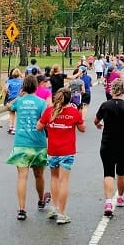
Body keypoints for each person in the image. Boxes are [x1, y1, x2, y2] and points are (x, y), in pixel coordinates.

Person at [94, 78, 124, 217]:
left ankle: (108, 202)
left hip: (107, 142)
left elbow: (96, 120)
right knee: (121, 171)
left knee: (108, 172)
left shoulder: (105, 105)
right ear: (123, 90)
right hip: (123, 142)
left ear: (111, 90)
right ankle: (120, 197)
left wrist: (98, 124)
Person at [37, 88, 85, 225]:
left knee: (54, 177)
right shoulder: (74, 112)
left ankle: (54, 206)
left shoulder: (49, 112)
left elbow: (38, 127)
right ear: (69, 99)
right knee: (64, 181)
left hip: (53, 151)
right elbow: (82, 129)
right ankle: (62, 214)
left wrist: (49, 124)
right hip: (67, 151)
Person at [6, 73, 50, 220]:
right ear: (36, 87)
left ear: (24, 87)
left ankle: (22, 209)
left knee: (22, 177)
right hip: (38, 143)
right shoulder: (41, 103)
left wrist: (19, 95)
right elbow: (45, 121)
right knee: (39, 175)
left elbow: (8, 106)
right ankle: (41, 200)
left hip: (21, 143)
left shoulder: (19, 102)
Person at [2, 68, 24, 134]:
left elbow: (5, 89)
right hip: (19, 99)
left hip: (10, 99)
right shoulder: (21, 81)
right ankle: (15, 128)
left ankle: (11, 127)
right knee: (17, 114)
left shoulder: (9, 81)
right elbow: (23, 89)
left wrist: (8, 92)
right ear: (19, 74)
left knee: (11, 113)